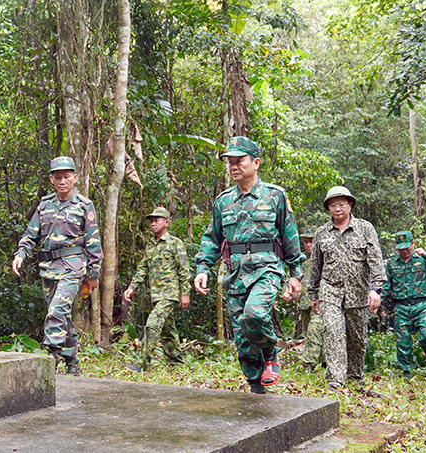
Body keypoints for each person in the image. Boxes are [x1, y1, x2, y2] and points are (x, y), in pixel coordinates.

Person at [194, 136, 304, 395]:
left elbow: (290, 236)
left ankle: (271, 351)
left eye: (239, 160)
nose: (233, 166)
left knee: (254, 315)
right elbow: (212, 238)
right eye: (230, 162)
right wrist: (202, 269)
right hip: (235, 273)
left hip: (267, 268)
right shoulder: (223, 201)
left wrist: (295, 274)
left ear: (255, 162)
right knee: (243, 339)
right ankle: (256, 389)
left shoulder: (275, 196)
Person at [11, 156, 103, 376]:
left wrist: (93, 273)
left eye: (67, 176)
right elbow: (31, 235)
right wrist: (20, 254)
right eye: (58, 177)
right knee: (63, 316)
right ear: (52, 179)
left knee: (56, 311)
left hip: (73, 267)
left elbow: (93, 242)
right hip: (48, 269)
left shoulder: (84, 205)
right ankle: (72, 364)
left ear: (75, 178)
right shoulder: (45, 205)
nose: (63, 181)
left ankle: (49, 358)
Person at [307, 186, 385, 389]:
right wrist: (313, 293)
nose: (337, 209)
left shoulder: (365, 228)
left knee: (357, 338)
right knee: (332, 331)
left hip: (358, 292)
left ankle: (354, 376)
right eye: (332, 205)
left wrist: (376, 289)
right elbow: (315, 264)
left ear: (350, 204)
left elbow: (375, 260)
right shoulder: (321, 233)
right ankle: (336, 380)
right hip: (330, 289)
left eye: (341, 204)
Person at [123, 207, 191, 371]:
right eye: (151, 221)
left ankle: (142, 364)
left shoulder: (175, 243)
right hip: (156, 294)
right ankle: (177, 364)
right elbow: (142, 269)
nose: (153, 224)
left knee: (152, 325)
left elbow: (184, 270)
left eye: (157, 220)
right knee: (168, 331)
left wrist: (185, 294)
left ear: (166, 223)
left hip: (170, 293)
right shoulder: (150, 246)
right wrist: (131, 288)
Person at [382, 231, 426, 377]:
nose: (405, 251)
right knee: (403, 341)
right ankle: (407, 371)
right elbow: (386, 284)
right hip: (401, 306)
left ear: (413, 243)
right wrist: (379, 300)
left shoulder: (422, 259)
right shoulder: (392, 263)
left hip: (422, 304)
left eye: (407, 247)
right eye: (401, 248)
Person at [299, 231, 325, 372]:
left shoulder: (325, 259)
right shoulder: (301, 262)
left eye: (311, 241)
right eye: (306, 242)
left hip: (320, 303)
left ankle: (309, 366)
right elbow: (294, 279)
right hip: (305, 304)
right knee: (312, 333)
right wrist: (288, 292)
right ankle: (324, 362)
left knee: (314, 331)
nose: (308, 244)